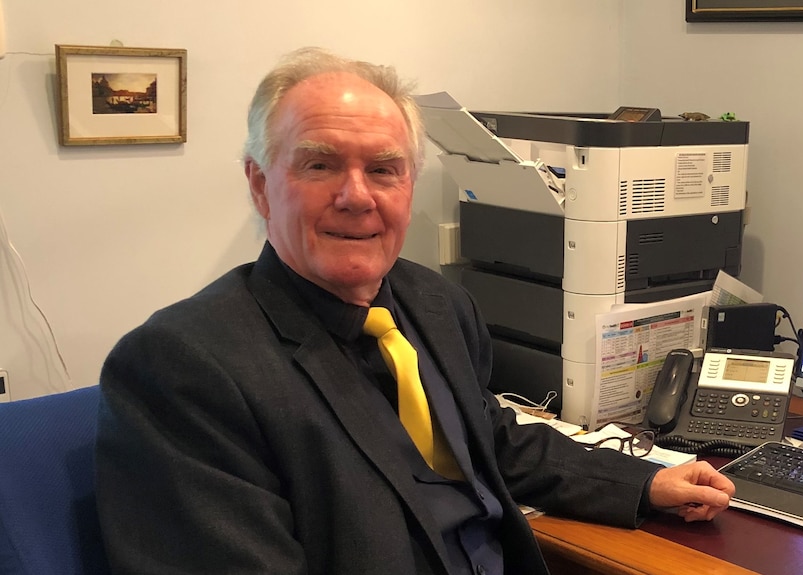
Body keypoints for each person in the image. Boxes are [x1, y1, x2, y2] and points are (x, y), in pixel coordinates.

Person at [95, 47, 735, 575]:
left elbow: (487, 436)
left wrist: (641, 482)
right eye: (319, 164)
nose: (356, 197)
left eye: (383, 169)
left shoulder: (433, 302)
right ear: (260, 184)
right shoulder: (183, 366)